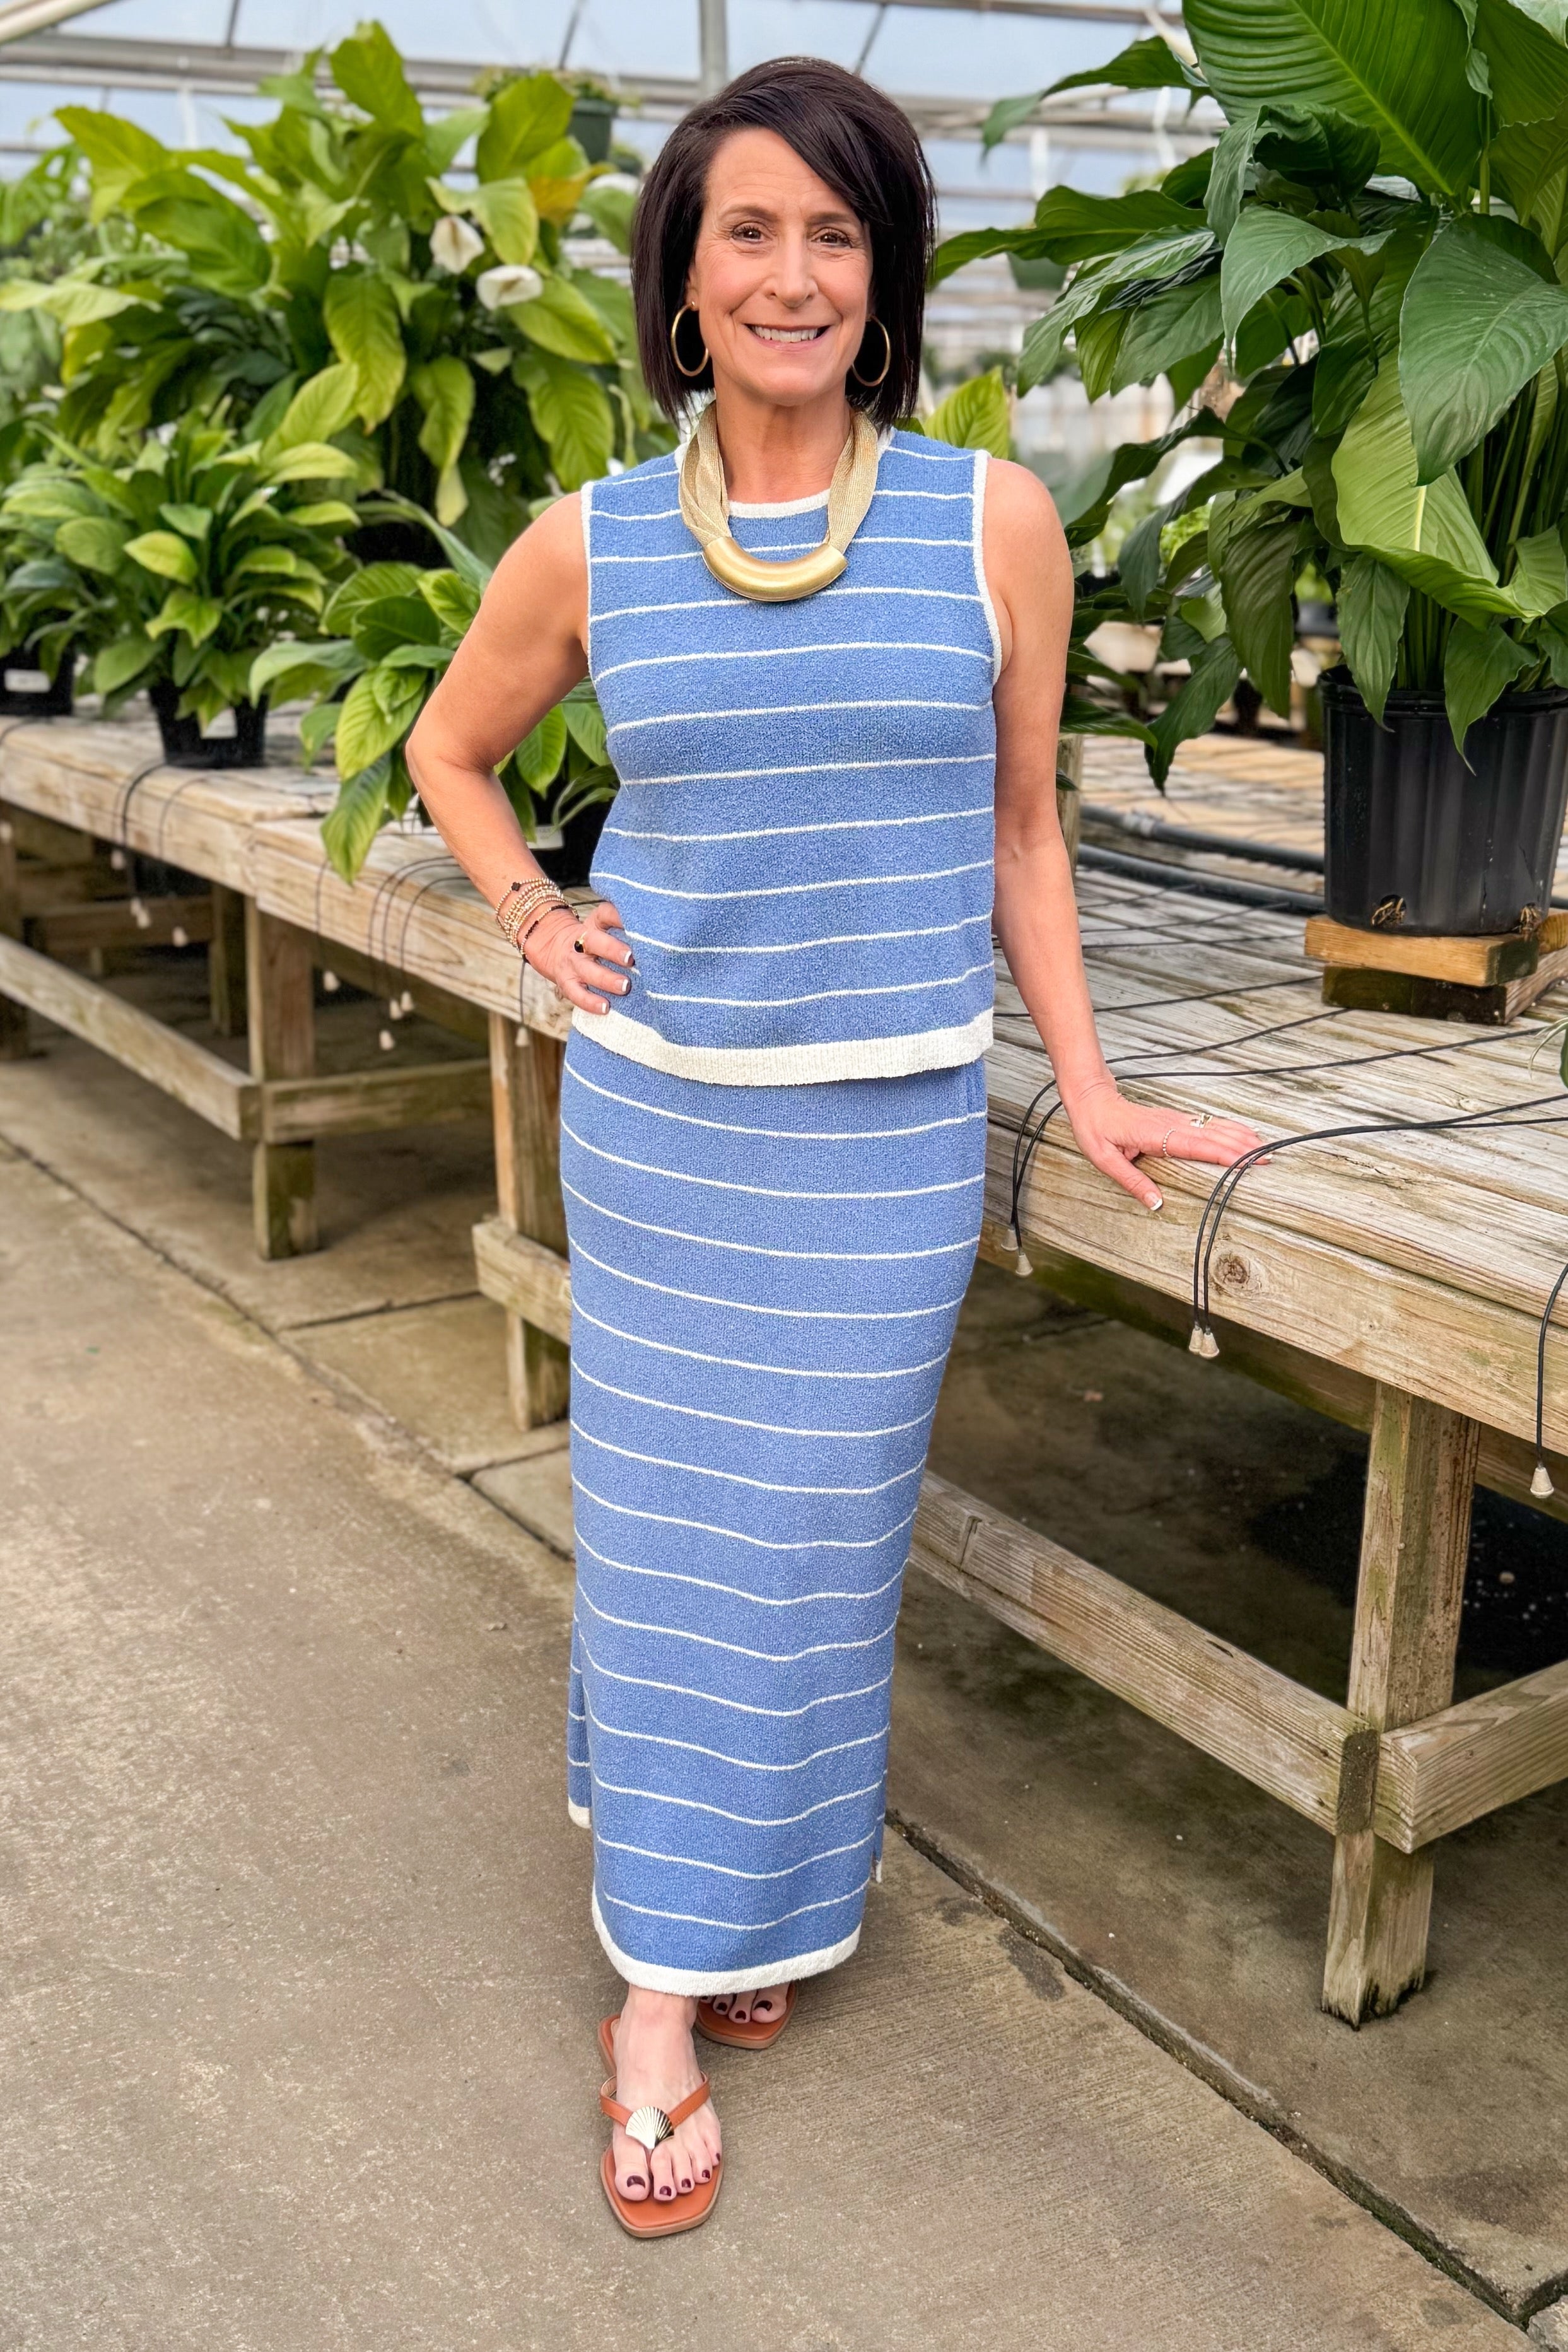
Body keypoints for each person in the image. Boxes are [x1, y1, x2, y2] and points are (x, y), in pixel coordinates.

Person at [407, 54, 1262, 2240]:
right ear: (684, 280)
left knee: (814, 1556)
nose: (794, 275)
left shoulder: (991, 522)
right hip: (669, 1128)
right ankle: (658, 1998)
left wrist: (1084, 1083)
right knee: (671, 1543)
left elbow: (1024, 834)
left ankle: (748, 1892)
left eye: (838, 232)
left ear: (883, 276)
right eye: (750, 233)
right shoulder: (593, 541)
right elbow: (450, 747)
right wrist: (535, 916)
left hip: (885, 1142)